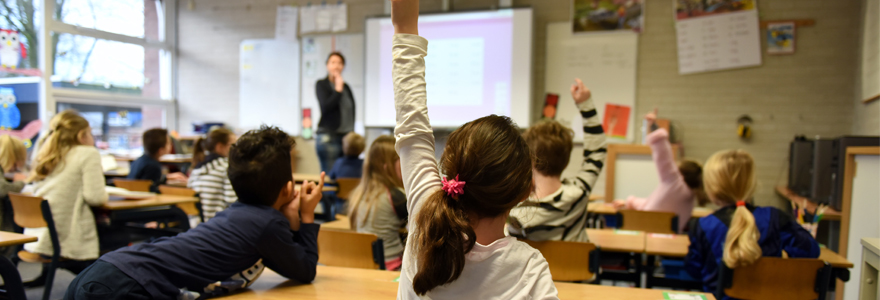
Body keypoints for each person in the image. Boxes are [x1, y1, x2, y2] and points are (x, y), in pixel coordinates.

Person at [390, 1, 557, 297]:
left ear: (453, 169)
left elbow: (411, 121)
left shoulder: (423, 223)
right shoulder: (530, 270)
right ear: (524, 191)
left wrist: (404, 27)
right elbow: (411, 125)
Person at [64, 125, 325, 300]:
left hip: (111, 269)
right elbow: (305, 270)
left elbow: (290, 261)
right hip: (126, 286)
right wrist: (307, 216)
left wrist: (291, 219)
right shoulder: (266, 224)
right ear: (289, 187)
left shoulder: (236, 214)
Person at [684, 150, 819, 297]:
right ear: (751, 184)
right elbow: (811, 251)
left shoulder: (703, 225)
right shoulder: (774, 218)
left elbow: (693, 270)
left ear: (711, 188)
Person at [507, 79, 606, 242]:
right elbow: (597, 151)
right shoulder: (578, 194)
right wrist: (586, 104)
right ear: (566, 159)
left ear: (530, 160)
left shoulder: (517, 212)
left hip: (534, 268)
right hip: (576, 267)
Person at [23, 110, 108, 270]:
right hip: (67, 238)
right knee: (119, 236)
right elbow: (95, 198)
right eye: (90, 133)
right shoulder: (87, 153)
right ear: (81, 135)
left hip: (41, 234)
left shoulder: (46, 151)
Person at [614, 109, 709, 233]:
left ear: (682, 173)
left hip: (647, 236)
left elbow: (663, 153)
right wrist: (629, 202)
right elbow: (652, 206)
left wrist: (654, 126)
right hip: (670, 243)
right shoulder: (690, 198)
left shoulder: (674, 183)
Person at [347, 135, 407, 270]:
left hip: (364, 266)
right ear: (388, 166)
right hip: (392, 267)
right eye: (402, 160)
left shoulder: (359, 193)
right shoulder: (395, 195)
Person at [315, 51, 356, 173]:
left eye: (340, 63)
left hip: (346, 138)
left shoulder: (347, 87)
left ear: (343, 66)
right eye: (333, 62)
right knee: (330, 177)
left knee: (343, 175)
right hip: (329, 137)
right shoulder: (322, 84)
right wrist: (337, 90)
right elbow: (326, 107)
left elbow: (351, 111)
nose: (336, 66)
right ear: (327, 65)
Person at [187, 127, 237, 221]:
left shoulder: (196, 168)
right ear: (220, 147)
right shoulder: (226, 167)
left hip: (196, 226)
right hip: (218, 226)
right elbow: (233, 202)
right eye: (233, 145)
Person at [128, 128, 187, 193]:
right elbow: (152, 190)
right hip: (144, 200)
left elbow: (151, 181)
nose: (171, 145)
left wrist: (166, 177)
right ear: (161, 150)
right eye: (169, 143)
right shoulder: (153, 166)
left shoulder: (139, 161)